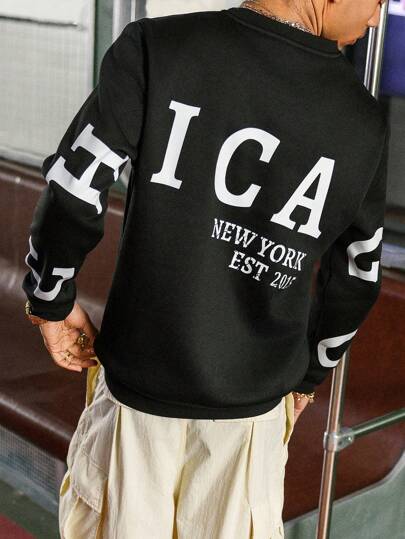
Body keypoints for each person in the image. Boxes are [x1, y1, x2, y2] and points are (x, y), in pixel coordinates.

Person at [22, 0, 390, 537]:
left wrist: (50, 299)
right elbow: (356, 277)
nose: (377, 18)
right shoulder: (361, 120)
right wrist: (309, 375)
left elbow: (75, 188)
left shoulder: (158, 48)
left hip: (135, 410)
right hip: (248, 425)